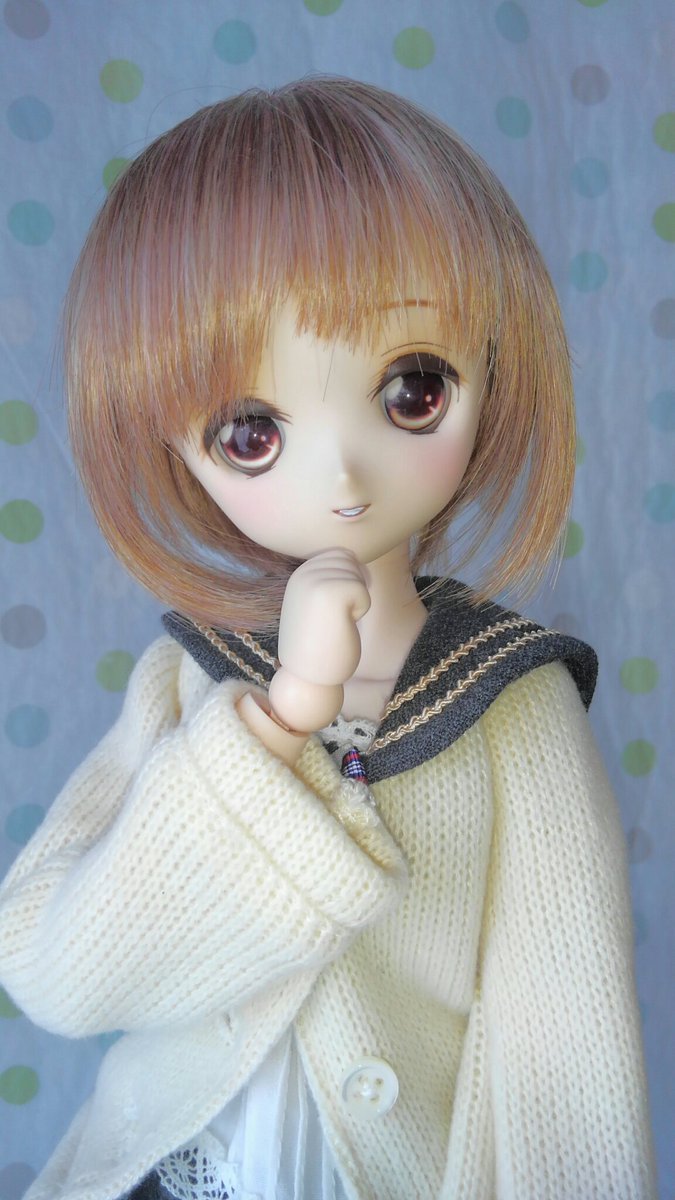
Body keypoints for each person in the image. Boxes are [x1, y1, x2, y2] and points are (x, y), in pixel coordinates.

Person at [0, 78, 656, 1200]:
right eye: (250, 432)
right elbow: (57, 972)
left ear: (492, 371)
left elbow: (564, 1047)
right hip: (180, 1165)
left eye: (412, 389)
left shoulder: (511, 702)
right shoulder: (193, 682)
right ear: (173, 447)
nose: (343, 472)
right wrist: (278, 720)